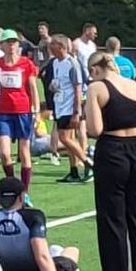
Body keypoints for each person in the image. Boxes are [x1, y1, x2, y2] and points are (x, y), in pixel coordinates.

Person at [83, 51, 136, 271]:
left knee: (111, 219)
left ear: (95, 69)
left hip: (111, 151)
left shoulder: (97, 88)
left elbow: (96, 129)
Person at [0, 31, 43, 193]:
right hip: (4, 112)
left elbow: (32, 88)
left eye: (14, 42)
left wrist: (37, 111)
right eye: (8, 42)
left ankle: (24, 191)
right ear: (1, 45)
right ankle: (13, 184)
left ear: (18, 45)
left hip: (23, 111)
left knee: (24, 151)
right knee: (4, 153)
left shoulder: (26, 64)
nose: (11, 46)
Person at [44, 36, 90, 183]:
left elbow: (77, 88)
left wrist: (77, 112)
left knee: (64, 138)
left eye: (53, 44)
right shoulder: (56, 63)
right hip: (60, 104)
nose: (50, 47)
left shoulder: (72, 63)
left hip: (69, 107)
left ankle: (88, 163)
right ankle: (74, 171)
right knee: (69, 139)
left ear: (62, 46)